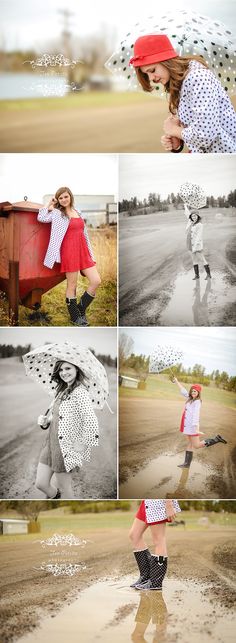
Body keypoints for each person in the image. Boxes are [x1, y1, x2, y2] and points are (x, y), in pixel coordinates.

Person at [129, 35, 236, 153]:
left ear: (166, 61)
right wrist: (178, 142)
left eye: (152, 70)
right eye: (146, 74)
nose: (151, 79)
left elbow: (205, 135)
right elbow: (197, 129)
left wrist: (174, 130)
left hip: (224, 159)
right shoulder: (182, 83)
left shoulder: (198, 78)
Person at [35, 360, 100, 499]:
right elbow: (58, 417)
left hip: (64, 448)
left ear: (77, 369)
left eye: (68, 368)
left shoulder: (80, 393)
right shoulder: (62, 390)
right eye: (61, 370)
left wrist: (82, 443)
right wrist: (46, 422)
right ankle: (55, 496)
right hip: (50, 444)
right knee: (40, 484)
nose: (64, 373)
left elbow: (92, 421)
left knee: (65, 489)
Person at [38, 187, 101, 326]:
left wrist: (91, 253)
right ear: (58, 200)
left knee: (96, 281)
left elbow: (84, 234)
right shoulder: (57, 213)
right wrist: (49, 204)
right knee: (72, 285)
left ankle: (80, 309)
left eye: (65, 197)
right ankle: (75, 317)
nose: (64, 200)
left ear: (70, 196)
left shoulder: (78, 212)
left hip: (83, 251)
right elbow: (41, 217)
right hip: (69, 252)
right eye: (60, 198)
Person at [172, 377, 227, 468]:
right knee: (190, 444)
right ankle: (186, 464)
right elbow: (183, 390)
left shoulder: (197, 402)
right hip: (187, 425)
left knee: (196, 445)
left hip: (192, 426)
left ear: (198, 393)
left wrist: (196, 429)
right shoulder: (190, 398)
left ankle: (216, 439)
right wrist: (177, 381)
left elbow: (196, 415)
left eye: (195, 391)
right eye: (192, 391)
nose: (193, 392)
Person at [129, 499, 181, 590]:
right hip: (147, 501)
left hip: (158, 502)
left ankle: (155, 581)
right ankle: (146, 576)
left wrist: (168, 504)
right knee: (134, 535)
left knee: (158, 539)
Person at [184, 204, 211, 280]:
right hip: (189, 243)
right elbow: (187, 213)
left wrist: (195, 246)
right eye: (192, 216)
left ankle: (209, 275)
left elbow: (199, 236)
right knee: (194, 259)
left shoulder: (200, 225)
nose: (193, 217)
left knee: (202, 259)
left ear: (198, 216)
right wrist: (185, 206)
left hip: (196, 244)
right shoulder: (191, 222)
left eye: (195, 216)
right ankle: (197, 275)